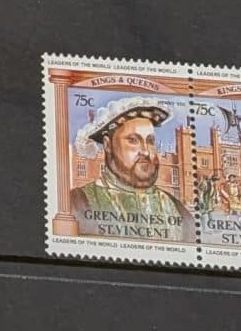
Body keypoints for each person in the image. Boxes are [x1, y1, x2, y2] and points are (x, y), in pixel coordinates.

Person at [69, 96, 195, 247]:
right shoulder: (77, 202)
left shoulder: (178, 209)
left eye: (150, 141)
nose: (146, 151)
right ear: (108, 145)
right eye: (133, 140)